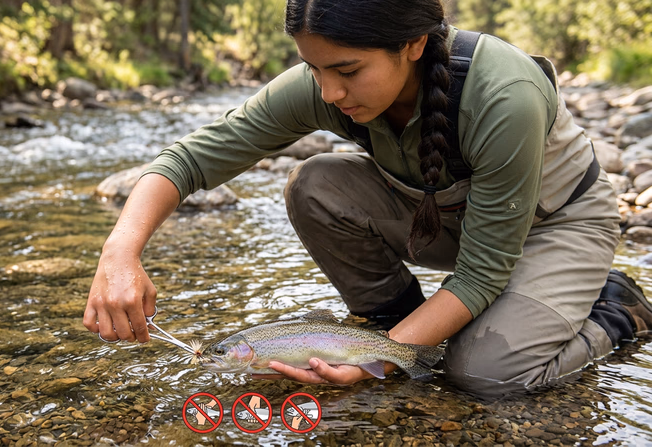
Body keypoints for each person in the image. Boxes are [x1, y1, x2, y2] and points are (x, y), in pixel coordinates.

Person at [83, 0, 652, 397]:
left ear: (412, 44)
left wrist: (376, 363)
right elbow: (192, 159)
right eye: (313, 68)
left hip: (554, 227)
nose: (328, 91)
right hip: (450, 213)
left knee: (486, 374)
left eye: (347, 70)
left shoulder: (506, 94)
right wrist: (119, 253)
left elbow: (482, 273)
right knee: (314, 183)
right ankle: (396, 324)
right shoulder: (329, 82)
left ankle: (614, 310)